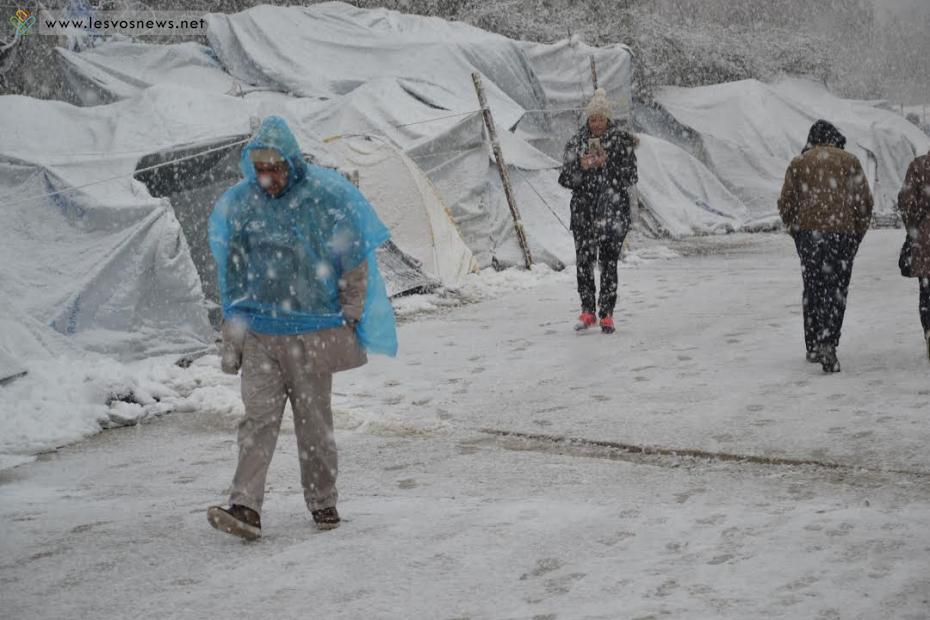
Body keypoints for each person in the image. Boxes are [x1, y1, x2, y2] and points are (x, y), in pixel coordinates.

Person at [206, 116, 397, 540]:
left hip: (311, 334)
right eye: (259, 168)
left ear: (291, 163)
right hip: (259, 332)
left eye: (274, 168)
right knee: (257, 421)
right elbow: (233, 276)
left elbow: (353, 259)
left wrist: (350, 312)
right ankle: (245, 506)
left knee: (313, 424)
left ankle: (322, 501)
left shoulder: (324, 199)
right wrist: (232, 333)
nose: (266, 177)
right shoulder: (244, 206)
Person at [778, 119, 874, 373]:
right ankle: (829, 341)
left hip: (810, 235)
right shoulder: (849, 161)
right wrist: (856, 234)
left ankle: (813, 344)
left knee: (813, 289)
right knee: (837, 289)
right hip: (842, 234)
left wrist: (797, 232)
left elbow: (786, 202)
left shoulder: (799, 163)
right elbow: (864, 202)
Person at [558, 88, 639, 334]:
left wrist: (609, 163)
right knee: (584, 263)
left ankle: (607, 313)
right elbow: (565, 179)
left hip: (613, 213)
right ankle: (587, 310)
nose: (596, 124)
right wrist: (581, 167)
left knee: (608, 264)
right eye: (592, 119)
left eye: (600, 119)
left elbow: (631, 177)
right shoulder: (576, 143)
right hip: (584, 213)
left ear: (607, 119)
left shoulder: (621, 142)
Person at [896, 149, 930, 360]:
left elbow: (906, 201)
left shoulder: (919, 165)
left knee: (927, 291)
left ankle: (929, 331)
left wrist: (915, 228)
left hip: (926, 238)